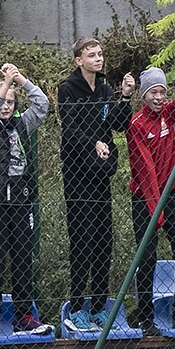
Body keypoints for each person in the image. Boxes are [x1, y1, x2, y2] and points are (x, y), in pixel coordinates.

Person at [58, 37, 136, 332]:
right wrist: (93, 143)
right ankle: (77, 308)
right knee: (82, 241)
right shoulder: (67, 89)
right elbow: (71, 128)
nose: (98, 59)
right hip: (78, 177)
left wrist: (125, 97)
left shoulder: (104, 89)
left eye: (101, 54)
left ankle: (101, 308)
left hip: (101, 174)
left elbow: (116, 123)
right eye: (92, 55)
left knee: (104, 241)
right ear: (79, 60)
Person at [0, 63, 53, 336]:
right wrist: (4, 85)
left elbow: (42, 105)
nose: (6, 106)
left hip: (20, 199)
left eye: (10, 102)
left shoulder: (21, 124)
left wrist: (21, 80)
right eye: (2, 101)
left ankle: (24, 317)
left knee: (21, 258)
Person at [127, 49, 175, 335]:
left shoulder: (168, 115)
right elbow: (144, 169)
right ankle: (145, 317)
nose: (158, 98)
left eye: (161, 92)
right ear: (143, 95)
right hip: (145, 198)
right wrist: (155, 212)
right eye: (152, 93)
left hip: (172, 195)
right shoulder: (136, 124)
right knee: (147, 256)